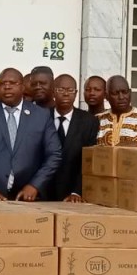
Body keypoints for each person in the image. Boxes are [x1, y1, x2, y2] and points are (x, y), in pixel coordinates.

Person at [0, 68, 62, 201]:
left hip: (27, 199)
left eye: (12, 83)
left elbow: (54, 154)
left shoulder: (41, 116)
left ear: (22, 87)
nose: (7, 87)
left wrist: (34, 185)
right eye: (3, 83)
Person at [45, 74, 98, 202]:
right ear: (53, 92)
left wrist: (77, 191)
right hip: (42, 191)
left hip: (72, 195)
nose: (66, 94)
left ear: (76, 93)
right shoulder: (41, 117)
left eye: (70, 90)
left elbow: (88, 161)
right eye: (61, 90)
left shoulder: (89, 121)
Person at [97, 75, 137, 146]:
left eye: (125, 92)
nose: (121, 97)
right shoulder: (97, 120)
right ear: (107, 96)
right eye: (115, 93)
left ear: (130, 93)